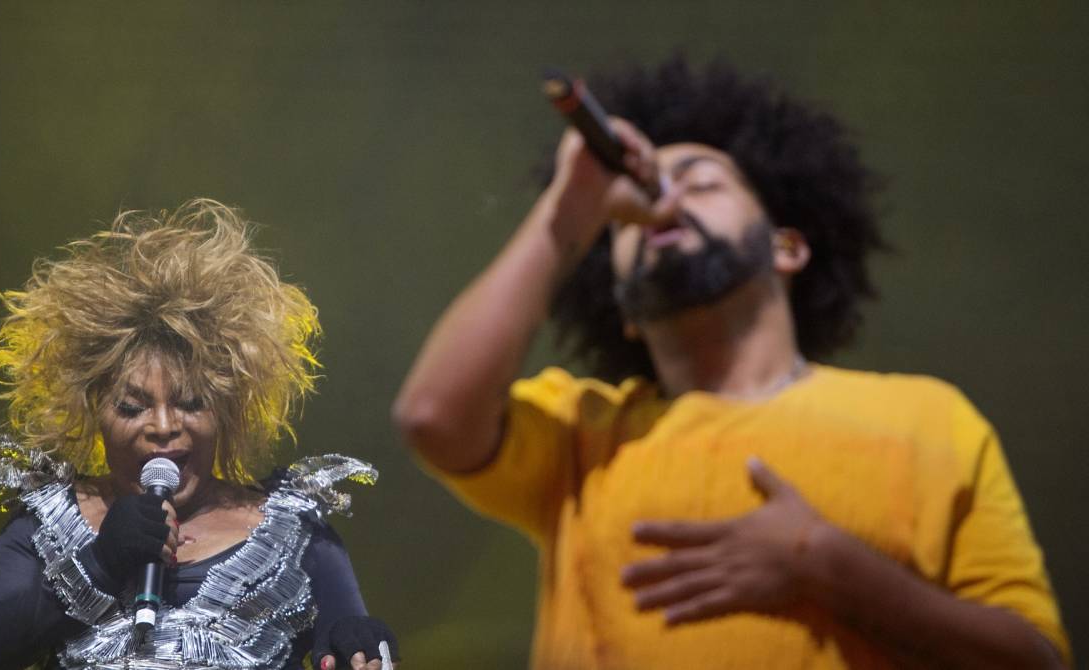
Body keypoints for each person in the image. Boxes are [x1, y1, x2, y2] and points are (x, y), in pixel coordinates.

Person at [394, 57, 1069, 668]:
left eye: (701, 182)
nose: (664, 201)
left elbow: (1034, 660)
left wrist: (825, 563)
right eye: (632, 212)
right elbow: (433, 416)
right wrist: (571, 209)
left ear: (787, 248)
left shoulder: (928, 418)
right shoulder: (585, 434)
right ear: (626, 308)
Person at [0, 199, 398, 670]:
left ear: (227, 409)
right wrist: (100, 562)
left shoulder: (296, 531)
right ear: (92, 410)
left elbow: (351, 645)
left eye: (190, 403)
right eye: (132, 407)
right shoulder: (46, 525)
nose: (164, 427)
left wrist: (361, 647)